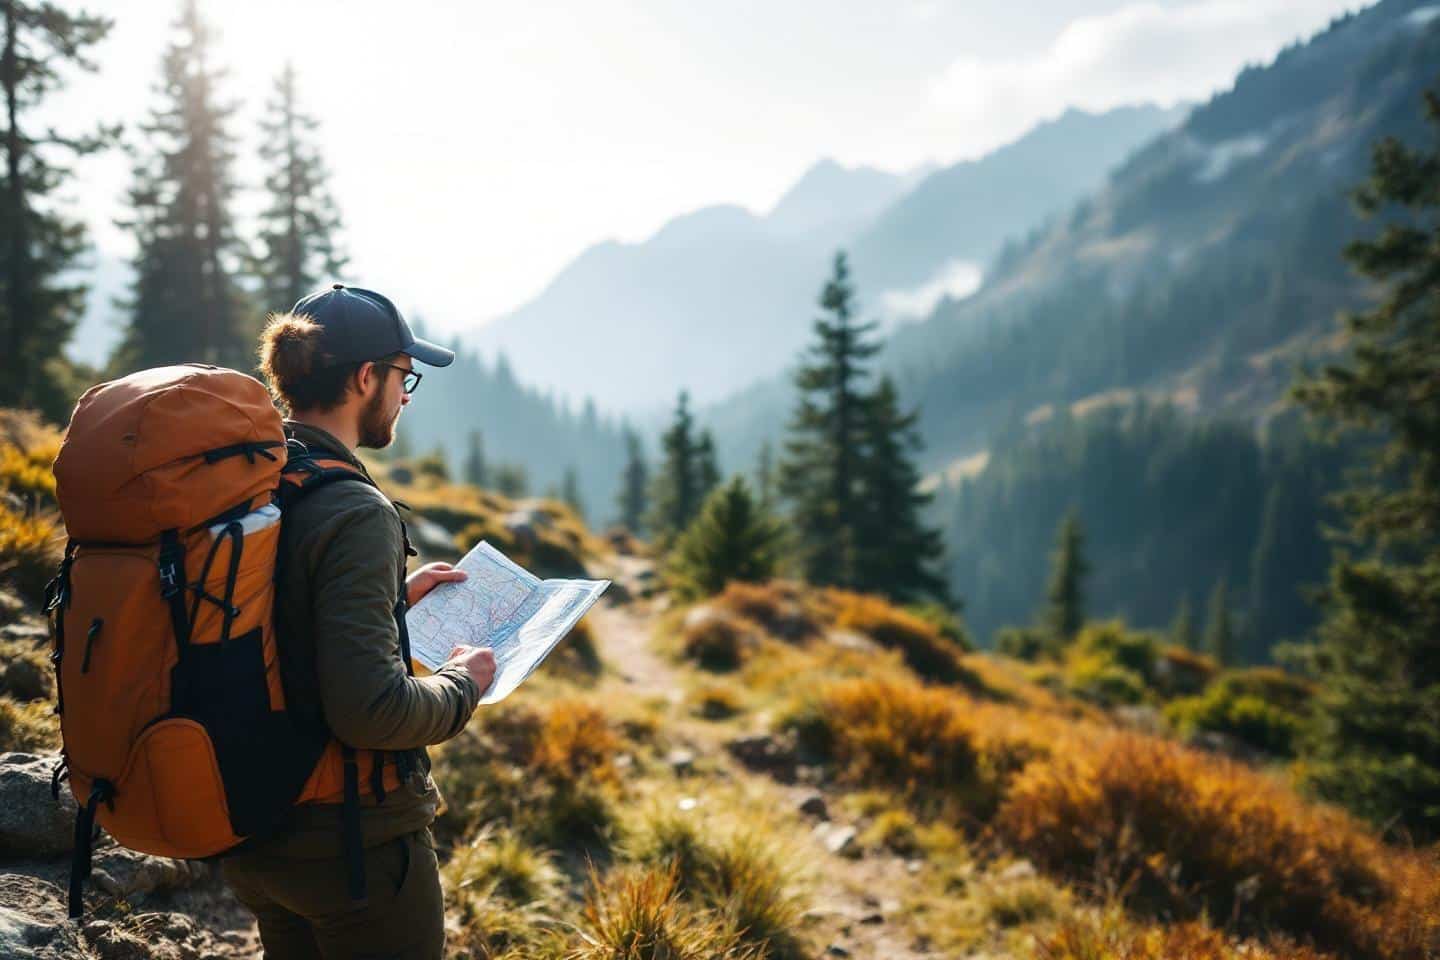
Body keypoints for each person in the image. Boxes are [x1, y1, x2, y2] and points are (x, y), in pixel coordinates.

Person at [222, 283, 496, 959]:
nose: (406, 394)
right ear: (366, 376)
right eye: (405, 377)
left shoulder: (257, 474)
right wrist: (464, 683)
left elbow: (270, 614)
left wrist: (390, 600)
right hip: (351, 847)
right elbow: (370, 711)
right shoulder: (356, 509)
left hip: (253, 828)